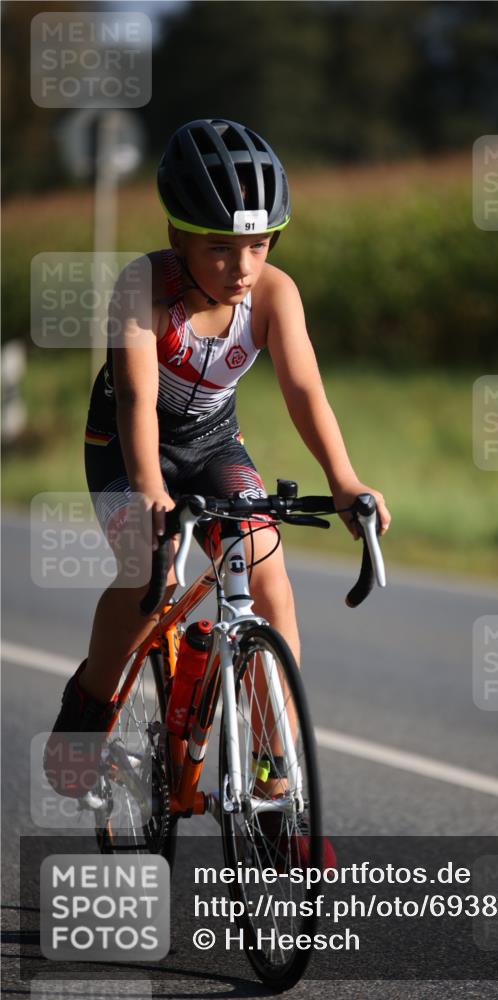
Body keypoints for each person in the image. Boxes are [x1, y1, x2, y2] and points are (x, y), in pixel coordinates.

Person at [45, 118, 390, 859]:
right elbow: (138, 401)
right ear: (177, 236)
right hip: (127, 451)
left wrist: (344, 480)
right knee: (150, 572)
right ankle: (92, 701)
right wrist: (147, 494)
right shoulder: (142, 287)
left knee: (268, 573)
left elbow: (305, 390)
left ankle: (273, 787)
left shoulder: (274, 293)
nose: (241, 267)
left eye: (258, 246)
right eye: (220, 248)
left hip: (211, 445)